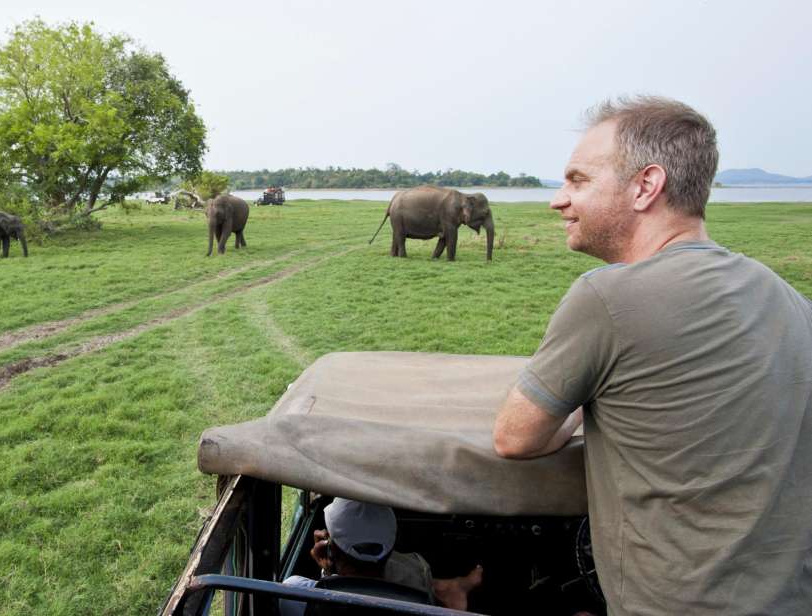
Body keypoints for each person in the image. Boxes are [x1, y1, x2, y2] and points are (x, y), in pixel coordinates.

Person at [492, 96, 812, 615]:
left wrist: (586, 390)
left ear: (645, 186)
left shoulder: (607, 298)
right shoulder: (789, 298)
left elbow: (515, 438)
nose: (558, 200)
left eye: (578, 180)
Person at [278, 498, 483, 616]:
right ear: (392, 546)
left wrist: (328, 572)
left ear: (329, 547)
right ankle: (447, 587)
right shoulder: (421, 603)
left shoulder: (296, 594)